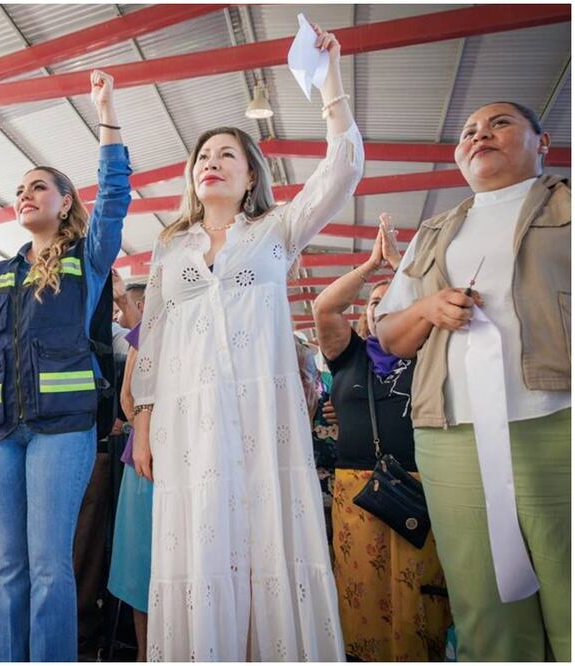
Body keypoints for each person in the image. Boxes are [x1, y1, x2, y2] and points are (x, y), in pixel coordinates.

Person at [131, 22, 362, 661]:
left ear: (251, 175)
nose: (211, 163)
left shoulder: (275, 232)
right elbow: (150, 335)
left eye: (226, 154)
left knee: (265, 533)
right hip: (186, 415)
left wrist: (331, 82)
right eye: (203, 156)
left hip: (261, 413)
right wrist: (144, 419)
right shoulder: (169, 247)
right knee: (198, 539)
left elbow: (342, 169)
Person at [375, 101, 569, 661]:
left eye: (500, 123)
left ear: (542, 141)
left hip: (557, 423)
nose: (480, 134)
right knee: (484, 604)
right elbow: (390, 336)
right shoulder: (434, 233)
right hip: (451, 432)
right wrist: (428, 308)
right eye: (468, 131)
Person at [0, 69, 131, 662]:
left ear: (64, 204)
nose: (25, 195)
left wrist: (106, 116)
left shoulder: (89, 257)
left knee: (51, 566)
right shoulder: (2, 273)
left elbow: (115, 197)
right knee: (7, 566)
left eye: (39, 188)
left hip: (62, 428)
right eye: (20, 190)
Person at [313, 215, 451, 660]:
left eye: (393, 300)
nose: (381, 306)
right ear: (367, 313)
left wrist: (403, 264)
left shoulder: (433, 350)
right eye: (375, 302)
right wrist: (374, 264)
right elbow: (324, 309)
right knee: (360, 594)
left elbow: (439, 304)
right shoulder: (348, 355)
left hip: (423, 484)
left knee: (420, 597)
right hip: (356, 490)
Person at [108, 320, 150, 661]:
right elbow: (127, 397)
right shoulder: (146, 328)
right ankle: (146, 654)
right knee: (141, 564)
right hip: (147, 460)